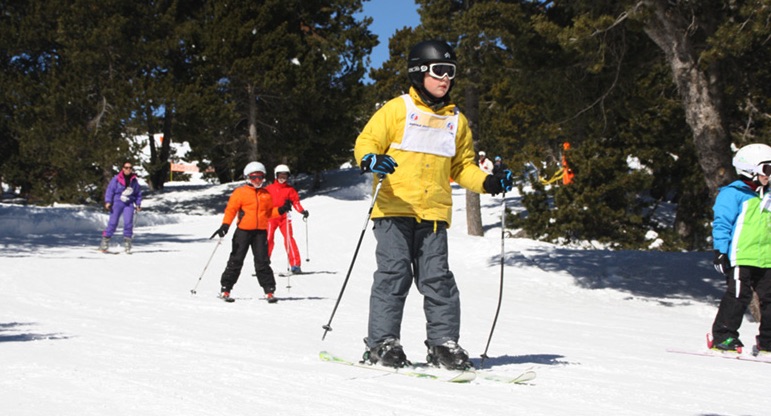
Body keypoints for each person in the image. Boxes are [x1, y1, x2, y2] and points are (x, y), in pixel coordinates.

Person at [353, 39, 515, 370]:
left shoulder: (457, 121)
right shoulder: (397, 109)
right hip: (395, 209)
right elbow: (367, 141)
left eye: (451, 73)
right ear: (419, 72)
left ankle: (443, 344)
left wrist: (488, 181)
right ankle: (382, 343)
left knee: (438, 279)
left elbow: (462, 167)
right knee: (394, 274)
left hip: (434, 216)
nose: (445, 79)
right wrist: (371, 159)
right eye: (439, 71)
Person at [710, 143, 771, 354]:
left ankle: (768, 341)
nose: (769, 176)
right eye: (767, 169)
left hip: (767, 257)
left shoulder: (768, 195)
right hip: (741, 255)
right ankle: (723, 336)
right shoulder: (733, 194)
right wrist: (720, 251)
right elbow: (722, 224)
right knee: (738, 295)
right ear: (750, 170)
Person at [211, 161, 292, 302]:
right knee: (236, 260)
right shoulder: (240, 193)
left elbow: (268, 213)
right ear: (247, 178)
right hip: (243, 232)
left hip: (260, 233)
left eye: (260, 177)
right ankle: (226, 289)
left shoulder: (265, 194)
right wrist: (225, 225)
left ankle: (269, 291)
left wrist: (280, 210)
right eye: (254, 178)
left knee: (262, 262)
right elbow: (231, 210)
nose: (257, 181)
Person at [266, 164, 309, 274]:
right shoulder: (269, 189)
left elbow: (296, 202)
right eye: (280, 175)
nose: (282, 178)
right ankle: (263, 263)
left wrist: (302, 211)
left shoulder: (290, 190)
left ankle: (295, 264)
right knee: (268, 238)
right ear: (276, 176)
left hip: (285, 218)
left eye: (285, 176)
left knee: (289, 238)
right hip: (271, 217)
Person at [99, 161, 142, 253]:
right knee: (113, 222)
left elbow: (138, 193)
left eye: (130, 168)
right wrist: (108, 201)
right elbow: (110, 190)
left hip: (129, 202)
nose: (128, 169)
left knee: (128, 223)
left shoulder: (134, 181)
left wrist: (138, 204)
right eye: (126, 167)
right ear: (123, 168)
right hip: (117, 202)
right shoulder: (116, 179)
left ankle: (127, 243)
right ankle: (105, 241)